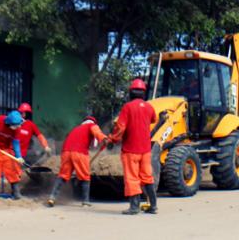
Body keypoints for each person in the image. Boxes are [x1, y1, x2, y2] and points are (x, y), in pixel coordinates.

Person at [108, 79, 158, 215]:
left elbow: (120, 127)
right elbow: (154, 119)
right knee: (147, 176)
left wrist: (113, 139)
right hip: (146, 150)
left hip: (130, 149)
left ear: (131, 92)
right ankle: (153, 206)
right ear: (143, 93)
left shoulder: (127, 107)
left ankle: (134, 207)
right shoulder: (149, 107)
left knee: (132, 178)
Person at [46, 116, 107, 208]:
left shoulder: (76, 128)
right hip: (79, 153)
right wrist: (104, 138)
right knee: (85, 176)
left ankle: (52, 197)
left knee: (63, 175)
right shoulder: (91, 125)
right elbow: (97, 132)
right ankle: (85, 201)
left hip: (66, 152)